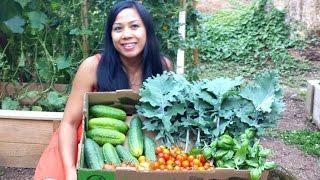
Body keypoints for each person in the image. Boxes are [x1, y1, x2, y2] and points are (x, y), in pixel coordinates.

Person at [34, 1, 173, 179]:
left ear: (147, 30)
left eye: (135, 26)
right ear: (110, 35)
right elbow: (68, 124)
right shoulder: (92, 67)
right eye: (118, 29)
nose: (126, 35)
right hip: (80, 145)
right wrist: (70, 171)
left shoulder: (162, 67)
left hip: (132, 148)